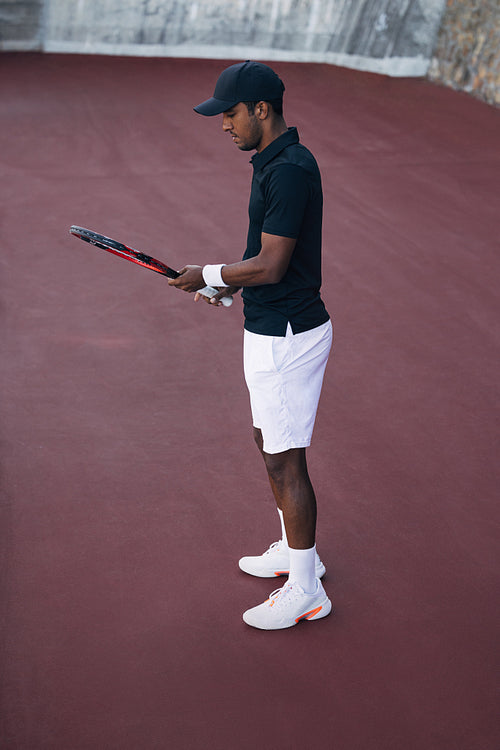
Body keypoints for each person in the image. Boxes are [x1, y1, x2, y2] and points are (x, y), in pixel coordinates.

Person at [168, 60, 333, 630]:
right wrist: (226, 289)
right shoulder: (272, 163)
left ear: (262, 110)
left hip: (286, 335)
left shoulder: (287, 170)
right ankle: (294, 550)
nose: (223, 125)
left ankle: (306, 588)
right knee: (270, 442)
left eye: (230, 114)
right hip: (270, 324)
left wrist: (210, 273)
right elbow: (261, 260)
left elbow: (272, 263)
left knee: (285, 458)